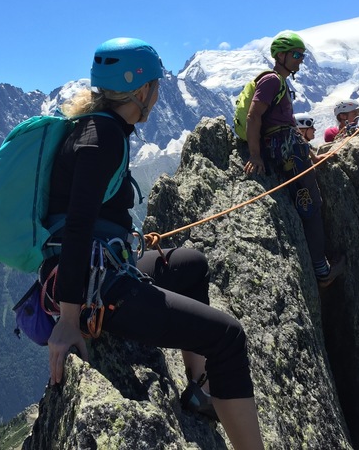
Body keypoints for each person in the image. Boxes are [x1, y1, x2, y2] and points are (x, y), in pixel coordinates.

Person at [44, 37, 264, 449]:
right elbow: (76, 227)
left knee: (192, 264)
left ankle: (198, 389)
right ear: (141, 90)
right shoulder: (103, 138)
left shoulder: (96, 127)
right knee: (229, 337)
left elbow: (86, 220)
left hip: (101, 267)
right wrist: (70, 320)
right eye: (156, 87)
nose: (159, 96)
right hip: (100, 288)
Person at [242, 31, 344, 288]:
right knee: (311, 205)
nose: (300, 60)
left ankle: (319, 264)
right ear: (282, 55)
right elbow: (254, 117)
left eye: (302, 55)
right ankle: (322, 271)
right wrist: (255, 155)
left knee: (310, 203)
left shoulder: (278, 82)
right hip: (286, 151)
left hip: (288, 147)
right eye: (296, 55)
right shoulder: (272, 81)